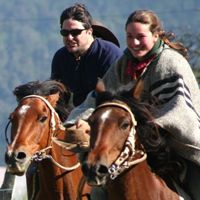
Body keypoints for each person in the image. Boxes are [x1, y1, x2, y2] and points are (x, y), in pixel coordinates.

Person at [66, 9, 200, 200]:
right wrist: (76, 120)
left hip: (175, 146)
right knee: (97, 191)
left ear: (155, 35)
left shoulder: (169, 62)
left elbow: (179, 111)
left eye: (140, 37)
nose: (134, 43)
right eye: (130, 36)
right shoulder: (124, 63)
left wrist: (146, 126)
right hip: (136, 145)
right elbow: (97, 99)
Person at [50, 3, 123, 107]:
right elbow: (56, 98)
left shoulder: (109, 54)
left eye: (75, 32)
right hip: (70, 118)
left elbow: (115, 99)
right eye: (65, 33)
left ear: (89, 32)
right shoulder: (60, 57)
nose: (69, 37)